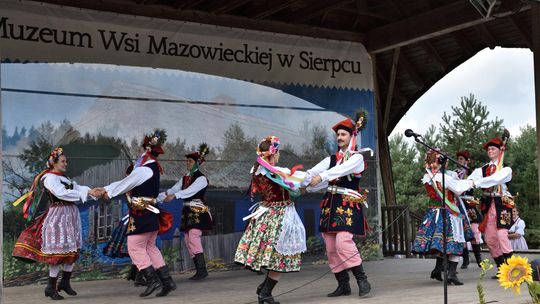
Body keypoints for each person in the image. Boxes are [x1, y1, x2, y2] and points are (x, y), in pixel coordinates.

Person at [12, 147, 99, 300]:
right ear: (54, 163)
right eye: (63, 161)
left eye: (66, 161)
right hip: (58, 217)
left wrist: (92, 191)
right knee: (58, 253)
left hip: (70, 215)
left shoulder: (63, 177)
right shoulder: (50, 178)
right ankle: (50, 287)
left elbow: (76, 188)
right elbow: (62, 193)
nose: (66, 164)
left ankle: (65, 282)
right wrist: (85, 193)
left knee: (71, 249)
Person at [99, 130, 176, 297]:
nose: (139, 155)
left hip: (142, 214)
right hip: (149, 213)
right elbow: (125, 182)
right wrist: (105, 189)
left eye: (142, 152)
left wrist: (107, 193)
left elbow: (126, 183)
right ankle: (167, 281)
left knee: (134, 247)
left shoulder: (144, 170)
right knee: (150, 247)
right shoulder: (150, 168)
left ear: (147, 152)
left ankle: (152, 281)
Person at [303, 115, 371, 298]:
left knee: (343, 242)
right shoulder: (331, 159)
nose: (339, 137)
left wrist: (321, 177)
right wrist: (298, 181)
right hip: (330, 205)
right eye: (338, 135)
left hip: (347, 204)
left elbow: (339, 171)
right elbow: (313, 173)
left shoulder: (356, 158)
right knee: (331, 248)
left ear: (351, 137)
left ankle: (362, 280)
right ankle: (343, 285)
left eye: (343, 134)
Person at [234, 136, 306, 304]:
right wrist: (305, 188)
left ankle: (264, 289)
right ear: (274, 154)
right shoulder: (278, 172)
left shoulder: (257, 170)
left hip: (265, 215)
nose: (279, 155)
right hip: (281, 215)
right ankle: (265, 291)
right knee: (279, 257)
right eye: (278, 152)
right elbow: (294, 192)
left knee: (273, 256)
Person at [412, 149, 477, 285]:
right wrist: (473, 181)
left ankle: (437, 270)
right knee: (455, 242)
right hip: (449, 212)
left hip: (434, 212)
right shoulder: (444, 178)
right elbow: (459, 189)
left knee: (444, 243)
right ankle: (451, 274)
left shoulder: (427, 177)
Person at [159, 144, 213, 280]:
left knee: (194, 236)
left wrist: (175, 196)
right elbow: (174, 189)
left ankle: (202, 270)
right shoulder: (185, 178)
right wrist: (161, 196)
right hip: (188, 210)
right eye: (187, 161)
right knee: (188, 239)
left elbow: (191, 190)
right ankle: (200, 270)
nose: (187, 163)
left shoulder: (201, 179)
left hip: (198, 209)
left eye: (190, 161)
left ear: (196, 163)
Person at [468, 137, 513, 278]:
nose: (490, 151)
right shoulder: (482, 169)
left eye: (493, 148)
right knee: (489, 238)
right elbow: (469, 180)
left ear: (500, 151)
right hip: (489, 205)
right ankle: (501, 269)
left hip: (503, 204)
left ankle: (512, 269)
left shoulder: (506, 169)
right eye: (488, 149)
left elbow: (496, 179)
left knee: (501, 234)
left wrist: (478, 182)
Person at [455, 150, 483, 268]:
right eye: (458, 159)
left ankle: (479, 259)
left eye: (462, 159)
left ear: (467, 161)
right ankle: (465, 259)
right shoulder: (454, 174)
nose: (459, 161)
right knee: (462, 231)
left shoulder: (472, 173)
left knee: (475, 231)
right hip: (459, 205)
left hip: (470, 205)